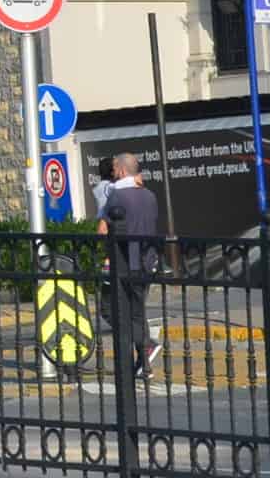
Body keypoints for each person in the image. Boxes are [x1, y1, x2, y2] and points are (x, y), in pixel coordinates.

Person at [97, 153, 164, 376]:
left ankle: (145, 349)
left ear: (123, 171)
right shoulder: (150, 196)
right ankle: (144, 364)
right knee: (137, 312)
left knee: (114, 310)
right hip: (147, 262)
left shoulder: (117, 197)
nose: (113, 173)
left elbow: (103, 229)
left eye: (115, 169)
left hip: (125, 262)